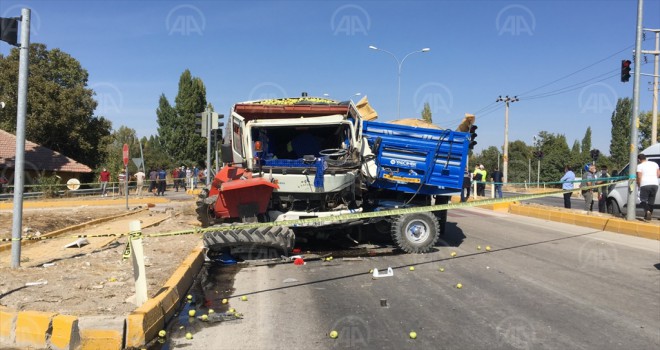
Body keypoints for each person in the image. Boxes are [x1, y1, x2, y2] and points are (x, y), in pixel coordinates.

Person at [636, 154, 660, 221]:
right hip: (655, 184)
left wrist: (638, 184)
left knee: (641, 199)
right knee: (651, 201)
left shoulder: (639, 166)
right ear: (645, 158)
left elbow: (639, 176)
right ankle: (648, 216)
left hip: (645, 184)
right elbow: (658, 174)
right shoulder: (654, 164)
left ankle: (647, 211)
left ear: (639, 160)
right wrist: (653, 178)